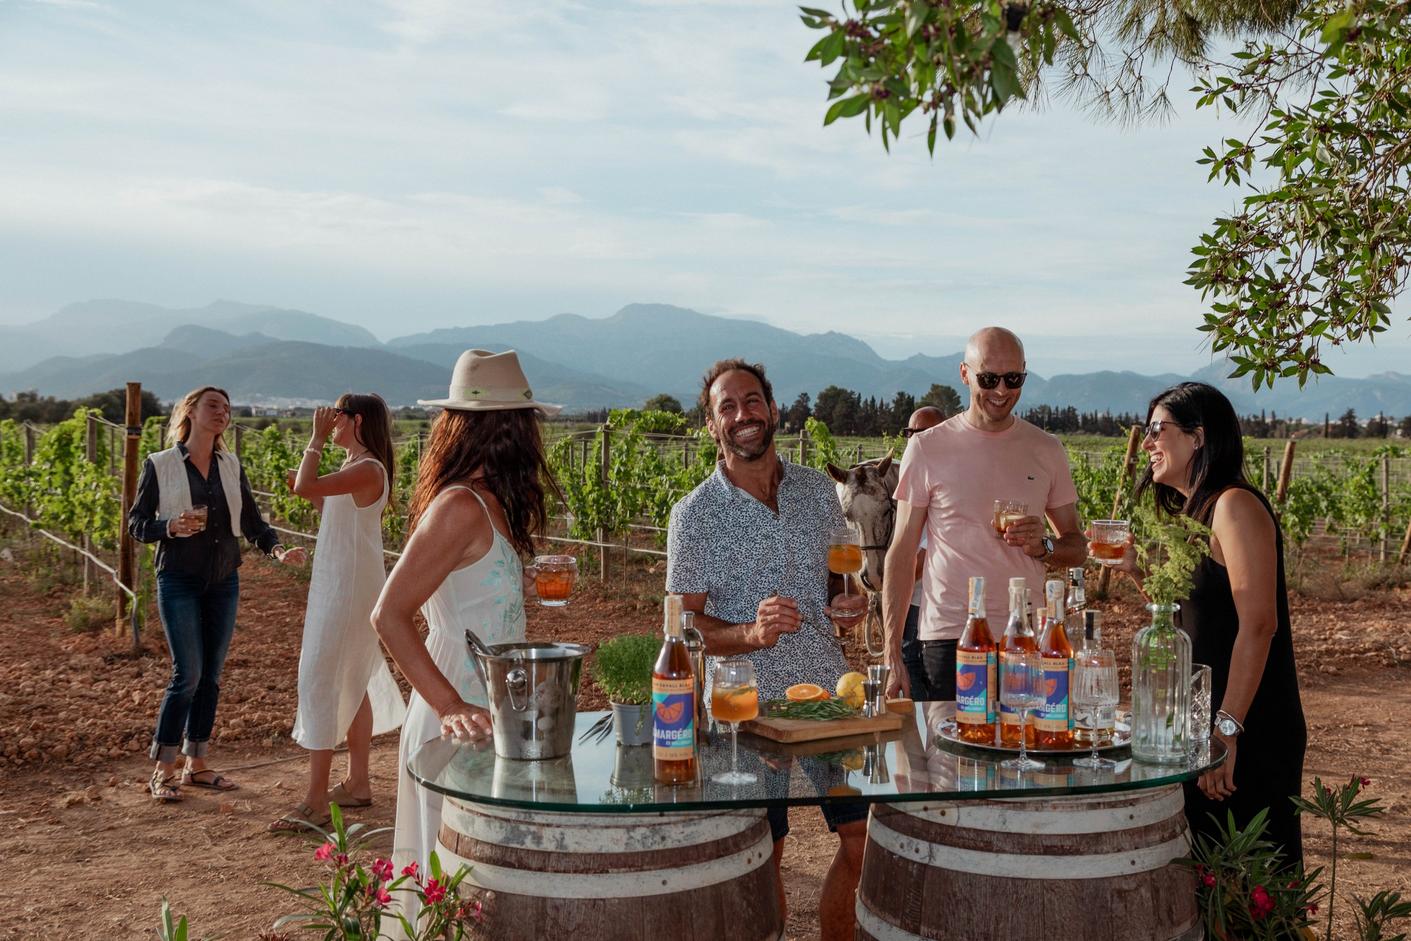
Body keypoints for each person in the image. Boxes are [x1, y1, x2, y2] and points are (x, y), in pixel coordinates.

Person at [667, 358, 866, 941]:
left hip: (827, 695)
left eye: (751, 401)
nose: (742, 415)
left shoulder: (815, 492)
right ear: (711, 426)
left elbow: (838, 583)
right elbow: (681, 627)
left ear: (772, 410)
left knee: (863, 839)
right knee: (764, 851)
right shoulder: (694, 515)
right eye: (726, 407)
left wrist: (848, 605)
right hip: (743, 708)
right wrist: (750, 634)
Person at [371, 349, 560, 924]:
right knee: (452, 879)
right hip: (455, 707)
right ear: (507, 429)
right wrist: (450, 704)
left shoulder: (490, 503)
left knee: (476, 880)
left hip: (491, 706)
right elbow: (389, 615)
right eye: (526, 423)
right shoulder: (459, 506)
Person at [1118, 381, 1306, 867]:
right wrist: (1136, 569)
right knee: (1209, 880)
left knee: (1250, 887)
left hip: (1248, 723)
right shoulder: (1195, 513)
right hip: (1205, 725)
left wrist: (1227, 732)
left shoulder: (1233, 506)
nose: (1148, 442)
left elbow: (1260, 624)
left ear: (1197, 437)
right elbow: (1189, 620)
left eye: (1158, 429)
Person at [884, 328, 1087, 701]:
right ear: (965, 374)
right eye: (988, 378)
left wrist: (1042, 546)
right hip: (949, 637)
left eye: (1013, 379)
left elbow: (1077, 546)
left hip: (1025, 636)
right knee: (954, 758)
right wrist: (892, 651)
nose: (1001, 390)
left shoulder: (1046, 449)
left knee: (1024, 751)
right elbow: (902, 551)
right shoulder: (928, 448)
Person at [129, 386, 306, 803]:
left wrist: (278, 550)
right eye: (213, 405)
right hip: (178, 579)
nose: (222, 412)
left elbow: (253, 522)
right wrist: (170, 526)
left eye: (226, 408)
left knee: (211, 676)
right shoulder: (160, 464)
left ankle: (198, 765)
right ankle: (163, 770)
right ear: (190, 411)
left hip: (224, 580)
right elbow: (137, 524)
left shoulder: (231, 465)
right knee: (186, 674)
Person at [270, 394, 407, 833]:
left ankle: (314, 801)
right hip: (345, 580)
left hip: (347, 587)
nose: (329, 421)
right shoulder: (357, 470)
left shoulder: (367, 467)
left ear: (356, 419)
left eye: (336, 415)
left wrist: (313, 441)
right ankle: (358, 784)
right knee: (354, 678)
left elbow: (305, 488)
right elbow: (328, 508)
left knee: (322, 677)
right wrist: (309, 482)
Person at [898, 405, 945, 696]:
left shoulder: (945, 482)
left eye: (924, 433)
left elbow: (920, 557)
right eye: (910, 433)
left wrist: (886, 584)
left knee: (919, 672)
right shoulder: (911, 478)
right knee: (908, 663)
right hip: (911, 601)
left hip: (928, 605)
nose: (915, 440)